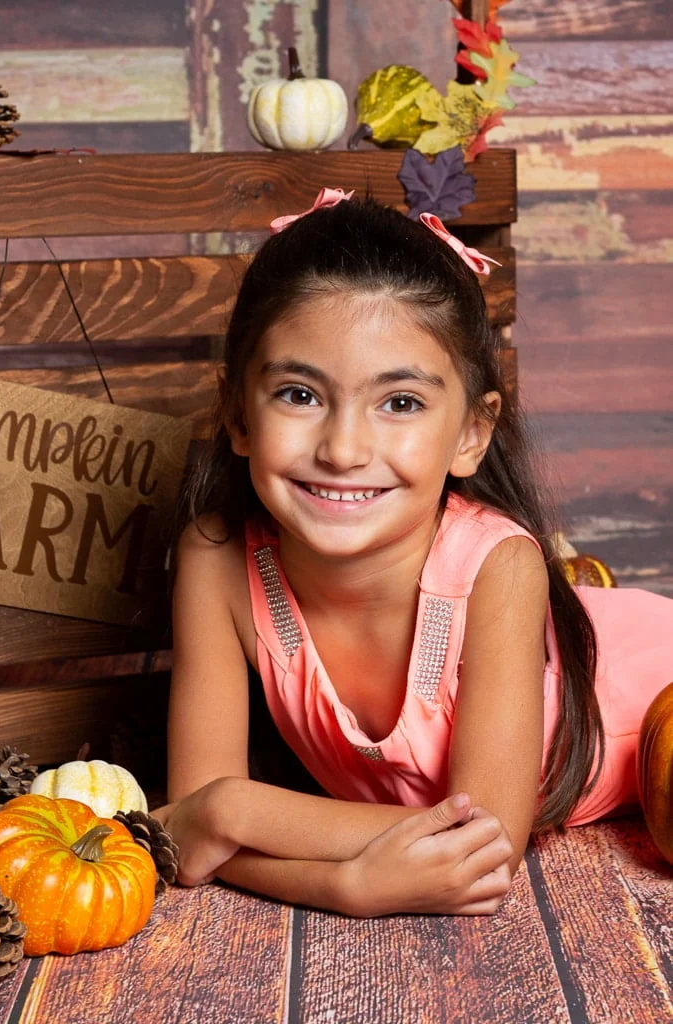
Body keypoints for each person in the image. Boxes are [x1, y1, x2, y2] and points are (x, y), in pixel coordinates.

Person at [154, 189, 673, 917]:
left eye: (399, 403)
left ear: (470, 432)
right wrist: (345, 884)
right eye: (299, 395)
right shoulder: (216, 559)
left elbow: (482, 838)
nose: (341, 449)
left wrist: (237, 811)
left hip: (653, 674)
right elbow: (186, 832)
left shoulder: (500, 566)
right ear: (239, 413)